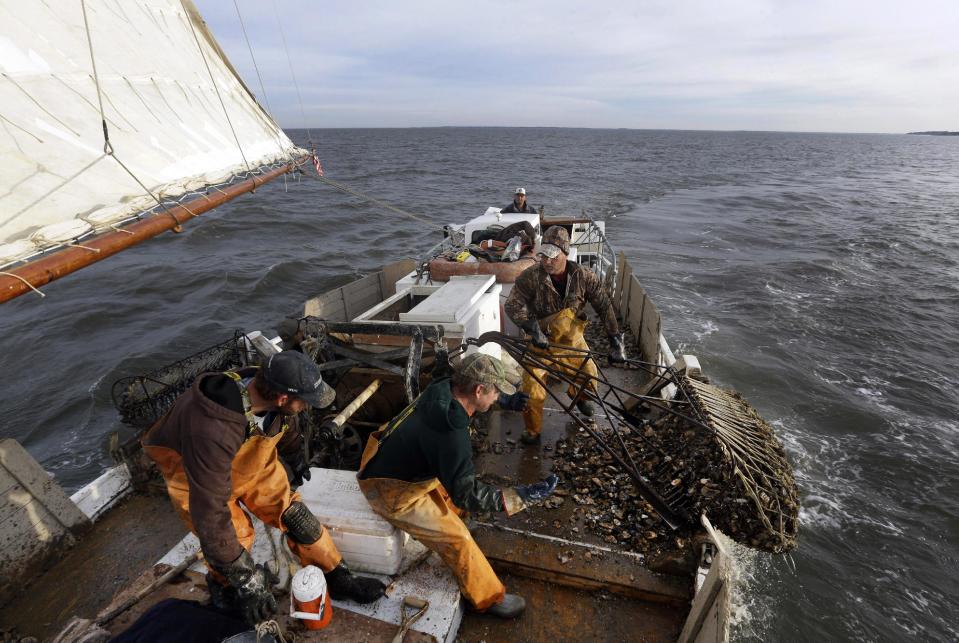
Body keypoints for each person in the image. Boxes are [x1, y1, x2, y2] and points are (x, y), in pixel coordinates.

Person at [143, 351, 386, 626]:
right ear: (283, 398)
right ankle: (224, 587)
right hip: (196, 478)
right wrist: (248, 579)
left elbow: (286, 421)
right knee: (233, 538)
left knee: (296, 516)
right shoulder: (212, 431)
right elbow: (210, 515)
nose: (307, 408)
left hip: (248, 462)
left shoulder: (265, 386)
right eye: (304, 402)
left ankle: (338, 577)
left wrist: (294, 455)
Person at [357, 353, 558, 619]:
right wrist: (521, 496)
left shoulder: (441, 388)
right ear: (478, 390)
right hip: (391, 491)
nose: (498, 395)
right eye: (496, 391)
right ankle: (488, 598)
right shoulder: (451, 433)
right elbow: (466, 494)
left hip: (383, 457)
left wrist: (502, 402)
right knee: (458, 538)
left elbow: (474, 401)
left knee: (449, 491)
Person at [504, 226, 628, 444]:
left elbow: (604, 306)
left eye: (552, 257)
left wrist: (616, 341)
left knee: (590, 376)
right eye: (543, 255)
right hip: (539, 344)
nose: (547, 261)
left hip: (572, 341)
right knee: (532, 391)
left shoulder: (584, 276)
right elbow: (512, 305)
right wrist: (532, 328)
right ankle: (533, 430)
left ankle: (578, 396)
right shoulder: (530, 277)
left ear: (565, 254)